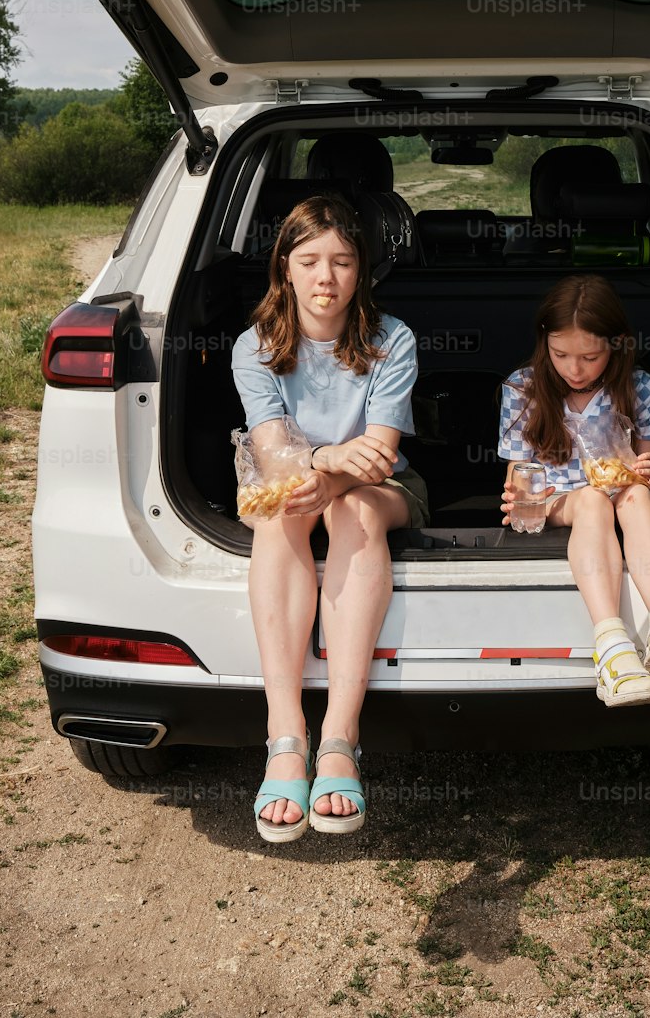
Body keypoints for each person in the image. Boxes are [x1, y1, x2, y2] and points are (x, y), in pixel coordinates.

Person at [231, 194, 427, 841]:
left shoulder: (390, 339)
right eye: (310, 260)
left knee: (356, 511)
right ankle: (285, 737)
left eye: (342, 262)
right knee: (280, 516)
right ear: (284, 266)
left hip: (385, 486)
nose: (326, 278)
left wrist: (331, 470)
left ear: (361, 271)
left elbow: (382, 455)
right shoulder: (254, 347)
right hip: (296, 482)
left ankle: (341, 738)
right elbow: (270, 452)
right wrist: (323, 459)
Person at [498, 274, 650, 707]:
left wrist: (646, 477)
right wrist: (519, 498)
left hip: (620, 493)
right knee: (590, 499)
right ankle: (612, 646)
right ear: (544, 344)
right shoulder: (522, 388)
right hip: (557, 501)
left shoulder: (639, 387)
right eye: (561, 355)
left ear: (617, 345)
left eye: (590, 356)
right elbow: (518, 480)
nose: (574, 368)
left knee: (637, 496)